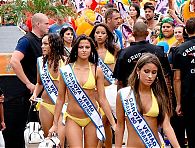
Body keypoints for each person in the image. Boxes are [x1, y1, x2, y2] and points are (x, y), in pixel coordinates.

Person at [49, 35, 116, 147]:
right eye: (81, 47)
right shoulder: (66, 70)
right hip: (72, 118)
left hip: (92, 117)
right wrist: (55, 124)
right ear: (76, 49)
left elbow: (102, 98)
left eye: (87, 47)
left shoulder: (97, 70)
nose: (84, 50)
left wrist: (113, 123)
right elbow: (60, 99)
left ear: (91, 50)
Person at [115, 53, 180, 148]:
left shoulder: (160, 95)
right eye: (146, 71)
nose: (150, 76)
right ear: (138, 70)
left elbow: (167, 126)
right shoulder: (124, 95)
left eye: (154, 72)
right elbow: (120, 126)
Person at [7, 13, 49, 148]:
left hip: (43, 94)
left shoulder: (43, 41)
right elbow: (14, 61)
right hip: (27, 95)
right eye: (46, 24)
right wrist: (28, 83)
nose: (49, 26)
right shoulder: (26, 40)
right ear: (38, 24)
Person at [30, 33, 66, 147]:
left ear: (54, 45)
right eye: (42, 44)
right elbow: (40, 83)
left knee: (60, 142)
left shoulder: (66, 61)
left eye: (45, 44)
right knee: (48, 140)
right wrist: (35, 94)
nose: (42, 46)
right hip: (46, 105)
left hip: (63, 106)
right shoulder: (40, 61)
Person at [113, 21, 171, 90]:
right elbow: (166, 78)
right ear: (147, 33)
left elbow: (120, 82)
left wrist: (120, 99)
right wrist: (167, 98)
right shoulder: (158, 51)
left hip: (132, 95)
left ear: (133, 34)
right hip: (154, 94)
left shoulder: (124, 53)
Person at [90, 23, 119, 148]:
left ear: (107, 35)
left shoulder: (114, 49)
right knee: (101, 119)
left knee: (107, 122)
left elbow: (119, 67)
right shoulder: (89, 50)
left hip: (112, 88)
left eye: (102, 33)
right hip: (97, 90)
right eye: (97, 33)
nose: (100, 35)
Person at [173, 17, 195, 148]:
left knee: (192, 134)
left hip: (188, 98)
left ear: (185, 31)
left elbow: (177, 78)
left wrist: (178, 103)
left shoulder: (179, 49)